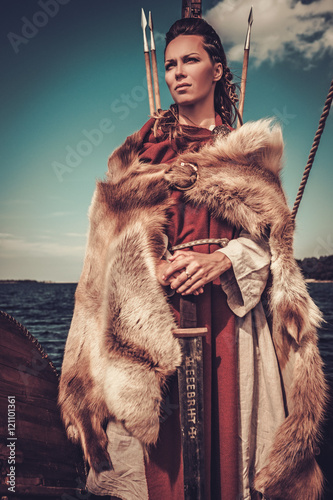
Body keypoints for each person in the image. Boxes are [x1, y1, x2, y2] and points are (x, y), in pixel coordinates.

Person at [59, 17, 327, 500]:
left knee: (233, 452)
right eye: (169, 65)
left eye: (191, 61)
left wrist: (224, 259)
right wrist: (152, 269)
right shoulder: (140, 154)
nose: (178, 73)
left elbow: (275, 248)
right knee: (163, 463)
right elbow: (107, 256)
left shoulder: (249, 155)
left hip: (233, 323)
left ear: (218, 70)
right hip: (158, 323)